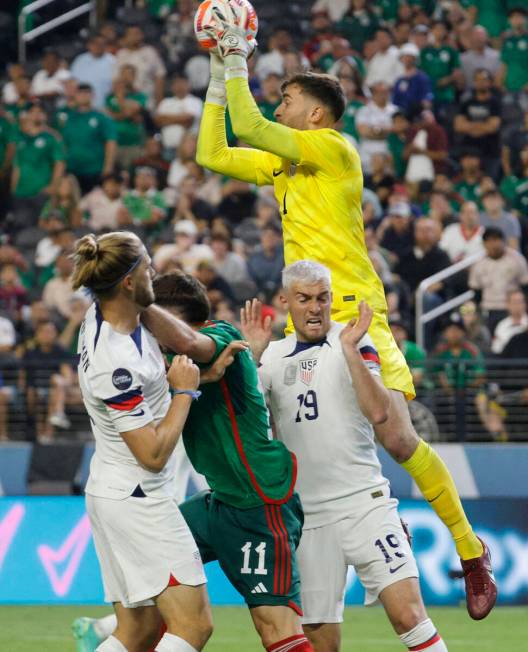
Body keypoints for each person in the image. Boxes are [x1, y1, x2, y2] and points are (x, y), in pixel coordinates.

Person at [196, 20, 496, 620]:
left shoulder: (335, 149)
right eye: (278, 97)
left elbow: (250, 125)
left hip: (355, 314)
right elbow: (212, 152)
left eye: (287, 99)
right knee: (290, 438)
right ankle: (353, 539)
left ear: (315, 115)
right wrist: (215, 72)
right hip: (300, 321)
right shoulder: (286, 166)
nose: (278, 106)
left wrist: (235, 59)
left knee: (397, 435)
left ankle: (469, 551)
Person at [73, 269, 313, 652]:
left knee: (274, 627)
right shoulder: (167, 365)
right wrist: (203, 378)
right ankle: (105, 631)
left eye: (158, 326)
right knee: (158, 616)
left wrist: (138, 301)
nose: (151, 338)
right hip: (216, 502)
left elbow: (195, 345)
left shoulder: (220, 335)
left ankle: (104, 633)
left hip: (258, 502)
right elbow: (188, 378)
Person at [240, 261, 448, 652]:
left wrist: (351, 350)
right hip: (308, 517)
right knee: (321, 642)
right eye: (304, 299)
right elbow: (250, 425)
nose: (315, 308)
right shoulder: (272, 357)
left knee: (410, 617)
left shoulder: (354, 340)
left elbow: (380, 412)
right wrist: (250, 356)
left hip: (364, 504)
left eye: (323, 298)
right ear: (285, 301)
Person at [71, 231, 213, 652]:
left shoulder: (111, 315)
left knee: (139, 631)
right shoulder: (115, 362)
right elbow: (151, 454)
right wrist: (185, 392)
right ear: (130, 281)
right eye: (148, 266)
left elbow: (191, 344)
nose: (156, 271)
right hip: (137, 497)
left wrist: (203, 368)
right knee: (194, 625)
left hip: (114, 491)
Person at [56, 83, 117, 194]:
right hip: (72, 169)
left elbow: (110, 142)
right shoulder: (69, 118)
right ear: (75, 96)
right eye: (80, 93)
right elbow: (63, 143)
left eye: (87, 93)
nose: (83, 96)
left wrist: (108, 167)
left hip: (94, 169)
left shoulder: (101, 117)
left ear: (93, 96)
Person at [469, 227, 528, 334]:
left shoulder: (516, 259)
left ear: (503, 241)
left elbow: (525, 286)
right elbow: (476, 293)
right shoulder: (479, 264)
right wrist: (474, 313)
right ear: (484, 244)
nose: (493, 244)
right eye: (489, 241)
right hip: (488, 309)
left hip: (511, 310)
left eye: (496, 240)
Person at [70, 33, 116, 109]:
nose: (98, 46)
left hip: (104, 108)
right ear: (89, 45)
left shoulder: (113, 61)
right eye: (96, 44)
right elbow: (72, 83)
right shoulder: (79, 60)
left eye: (102, 44)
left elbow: (115, 87)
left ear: (106, 45)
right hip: (81, 108)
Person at [491, 290, 528, 354]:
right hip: (507, 360)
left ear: (525, 304)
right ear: (508, 305)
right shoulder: (501, 325)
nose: (517, 305)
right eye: (514, 302)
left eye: (520, 302)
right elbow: (496, 349)